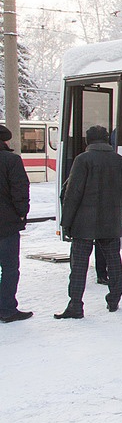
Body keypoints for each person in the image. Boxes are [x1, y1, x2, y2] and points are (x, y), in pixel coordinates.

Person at [56, 125, 122, 319]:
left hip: (83, 223)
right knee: (114, 262)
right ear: (106, 139)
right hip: (111, 222)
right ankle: (114, 300)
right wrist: (119, 220)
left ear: (88, 140)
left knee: (79, 266)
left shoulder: (83, 160)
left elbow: (73, 193)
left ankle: (75, 305)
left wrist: (66, 223)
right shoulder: (120, 161)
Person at [0, 125, 32, 323]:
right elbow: (20, 190)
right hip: (7, 225)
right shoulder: (11, 160)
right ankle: (7, 308)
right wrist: (22, 213)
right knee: (10, 267)